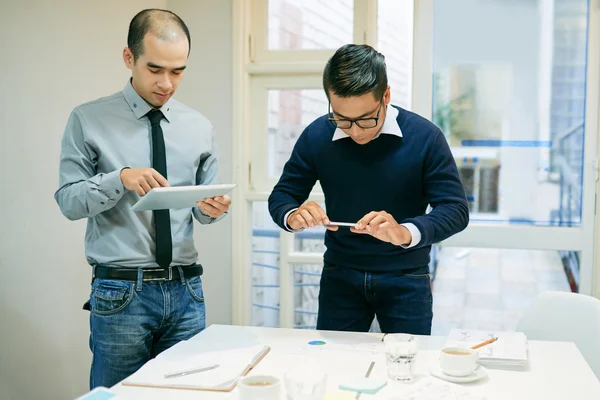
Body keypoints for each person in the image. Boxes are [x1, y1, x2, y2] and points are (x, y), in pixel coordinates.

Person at [54, 8, 230, 389]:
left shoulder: (199, 127)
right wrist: (119, 179)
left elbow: (204, 212)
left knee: (188, 395)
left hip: (187, 290)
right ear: (129, 58)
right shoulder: (88, 119)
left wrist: (212, 210)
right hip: (121, 294)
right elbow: (68, 201)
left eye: (178, 71)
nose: (167, 83)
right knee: (118, 397)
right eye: (155, 69)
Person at [268, 44, 468, 335]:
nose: (356, 131)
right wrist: (292, 214)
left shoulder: (425, 137)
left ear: (386, 95)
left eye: (366, 118)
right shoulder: (317, 135)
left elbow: (455, 210)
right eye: (342, 118)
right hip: (340, 276)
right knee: (334, 364)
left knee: (406, 367)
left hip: (407, 277)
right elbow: (282, 195)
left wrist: (405, 231)